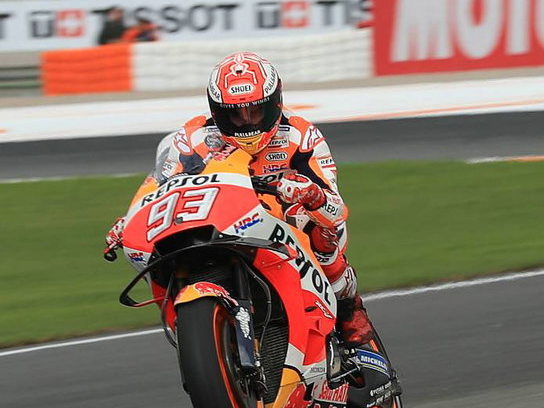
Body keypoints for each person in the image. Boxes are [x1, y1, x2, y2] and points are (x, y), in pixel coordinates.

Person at [102, 50, 378, 351]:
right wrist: (132, 219)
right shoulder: (193, 138)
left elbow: (335, 210)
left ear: (274, 104)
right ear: (217, 111)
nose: (247, 122)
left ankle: (349, 308)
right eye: (235, 114)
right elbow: (161, 185)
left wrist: (311, 194)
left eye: (256, 111)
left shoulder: (301, 135)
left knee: (322, 233)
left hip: (284, 223)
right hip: (220, 220)